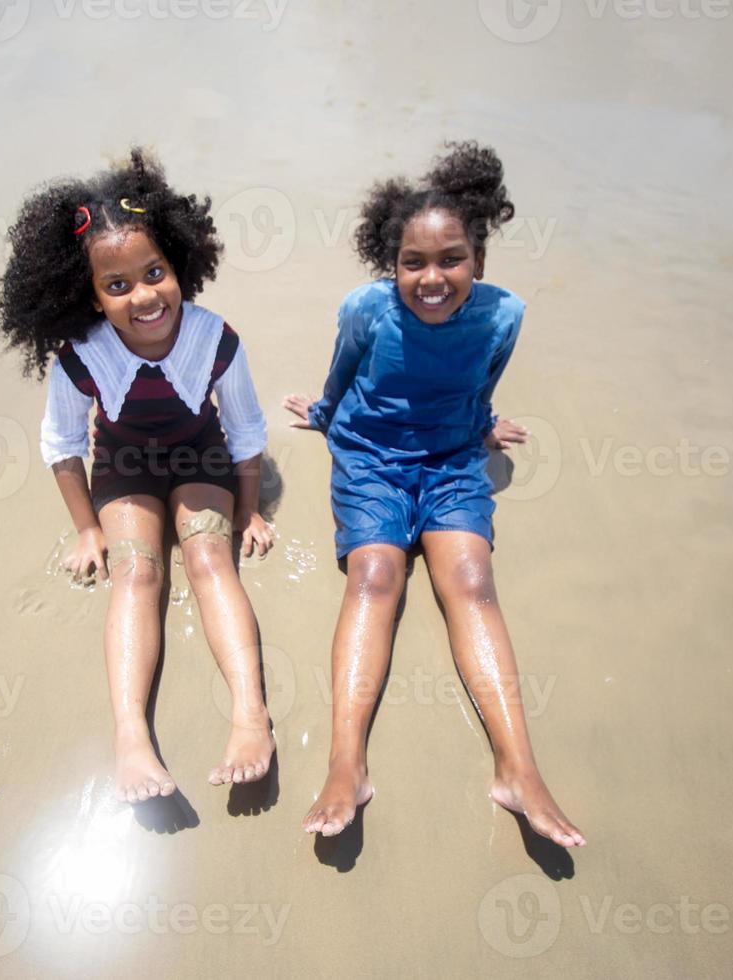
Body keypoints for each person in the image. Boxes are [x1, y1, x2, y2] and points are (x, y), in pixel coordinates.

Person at [283, 141, 586, 847]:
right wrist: (325, 416)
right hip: (370, 457)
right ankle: (346, 763)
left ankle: (520, 770)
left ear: (478, 258)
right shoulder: (367, 308)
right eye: (412, 262)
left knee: (474, 582)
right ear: (391, 265)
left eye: (451, 258)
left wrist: (481, 425)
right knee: (375, 574)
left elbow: (484, 379)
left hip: (450, 458)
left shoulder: (504, 315)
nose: (432, 278)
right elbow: (343, 368)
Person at [0, 149, 276, 803]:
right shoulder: (81, 357)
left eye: (154, 273)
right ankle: (132, 738)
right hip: (123, 467)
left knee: (211, 558)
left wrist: (252, 507)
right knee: (136, 571)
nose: (144, 296)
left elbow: (246, 433)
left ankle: (251, 716)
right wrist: (86, 528)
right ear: (88, 295)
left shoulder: (216, 340)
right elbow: (63, 443)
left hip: (199, 454)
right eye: (117, 285)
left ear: (178, 263)